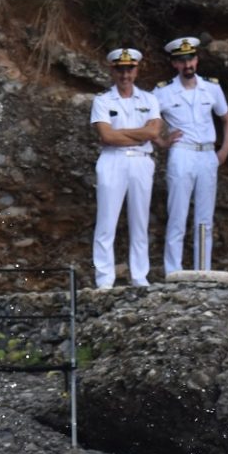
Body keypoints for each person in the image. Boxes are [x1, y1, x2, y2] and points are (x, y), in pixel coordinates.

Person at [154, 36, 228, 274]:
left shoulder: (211, 87)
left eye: (191, 59)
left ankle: (203, 270)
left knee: (205, 218)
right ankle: (173, 271)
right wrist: (161, 141)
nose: (188, 65)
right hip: (182, 153)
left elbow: (227, 119)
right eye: (182, 61)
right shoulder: (163, 91)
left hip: (207, 154)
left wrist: (225, 149)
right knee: (177, 213)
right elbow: (147, 120)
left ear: (197, 60)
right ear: (174, 64)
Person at [89, 47, 164, 290]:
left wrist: (122, 133)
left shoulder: (149, 99)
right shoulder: (102, 100)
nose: (125, 75)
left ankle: (140, 275)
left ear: (136, 70)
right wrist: (138, 135)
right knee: (106, 220)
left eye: (129, 69)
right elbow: (106, 136)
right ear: (113, 70)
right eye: (120, 69)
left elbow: (154, 132)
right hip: (113, 160)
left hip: (141, 161)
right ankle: (104, 278)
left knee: (140, 220)